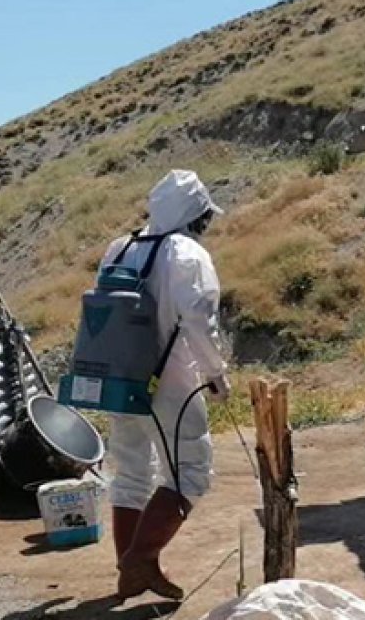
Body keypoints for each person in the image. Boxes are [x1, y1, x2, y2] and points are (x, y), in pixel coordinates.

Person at [105, 169, 231, 600]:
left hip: (119, 378)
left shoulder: (120, 248)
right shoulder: (187, 255)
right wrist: (216, 374)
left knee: (131, 473)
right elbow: (200, 320)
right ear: (196, 217)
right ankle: (140, 559)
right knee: (190, 472)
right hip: (169, 378)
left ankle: (131, 572)